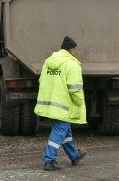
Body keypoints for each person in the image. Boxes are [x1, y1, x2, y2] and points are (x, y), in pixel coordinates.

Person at [34, 35, 88, 171]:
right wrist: (80, 103)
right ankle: (49, 160)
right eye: (76, 50)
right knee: (59, 131)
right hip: (63, 105)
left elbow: (42, 81)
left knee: (65, 130)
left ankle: (74, 155)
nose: (77, 52)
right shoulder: (72, 64)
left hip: (50, 102)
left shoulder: (48, 62)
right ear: (71, 50)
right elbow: (75, 89)